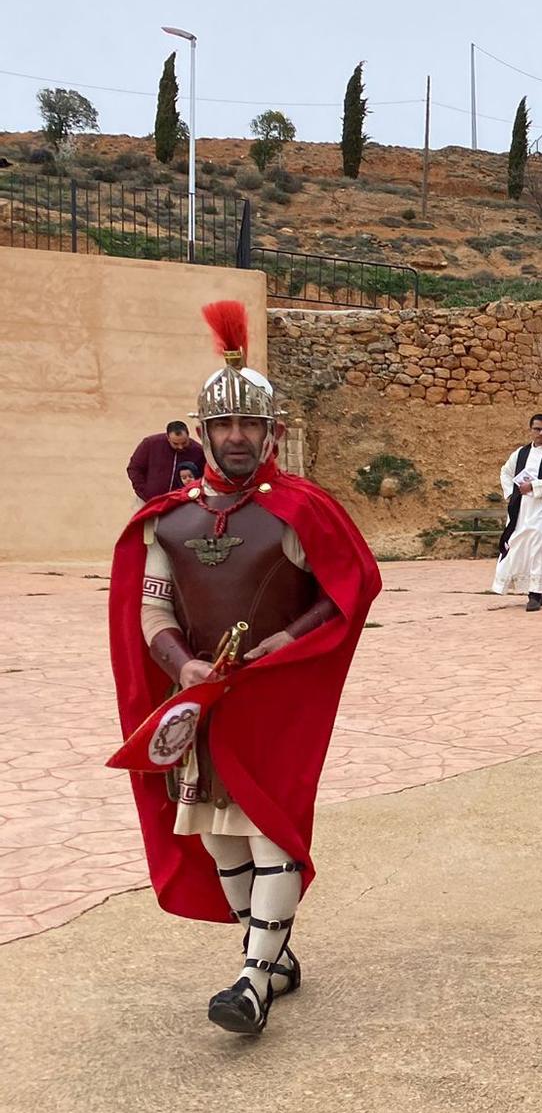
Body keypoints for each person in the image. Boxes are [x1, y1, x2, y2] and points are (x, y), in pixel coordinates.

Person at [108, 299, 380, 1036]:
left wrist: (281, 644)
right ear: (202, 433)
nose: (235, 437)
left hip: (274, 696)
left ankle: (254, 981)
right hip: (201, 697)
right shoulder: (169, 520)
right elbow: (152, 608)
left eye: (249, 426)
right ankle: (275, 954)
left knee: (270, 832)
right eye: (222, 426)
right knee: (218, 833)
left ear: (273, 433)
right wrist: (181, 663)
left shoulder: (302, 511)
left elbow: (346, 592)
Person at [492, 413, 542, 611]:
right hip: (520, 510)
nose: (541, 433)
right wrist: (512, 492)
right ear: (531, 430)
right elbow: (506, 472)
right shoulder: (520, 453)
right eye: (537, 429)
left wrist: (533, 486)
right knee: (518, 546)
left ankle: (535, 594)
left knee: (538, 548)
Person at [127, 420, 206, 503]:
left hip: (180, 503)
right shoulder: (150, 444)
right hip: (148, 501)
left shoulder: (198, 451)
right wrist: (144, 492)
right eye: (175, 443)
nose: (180, 447)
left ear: (188, 435)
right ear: (168, 438)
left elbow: (204, 476)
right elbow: (134, 468)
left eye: (184, 442)